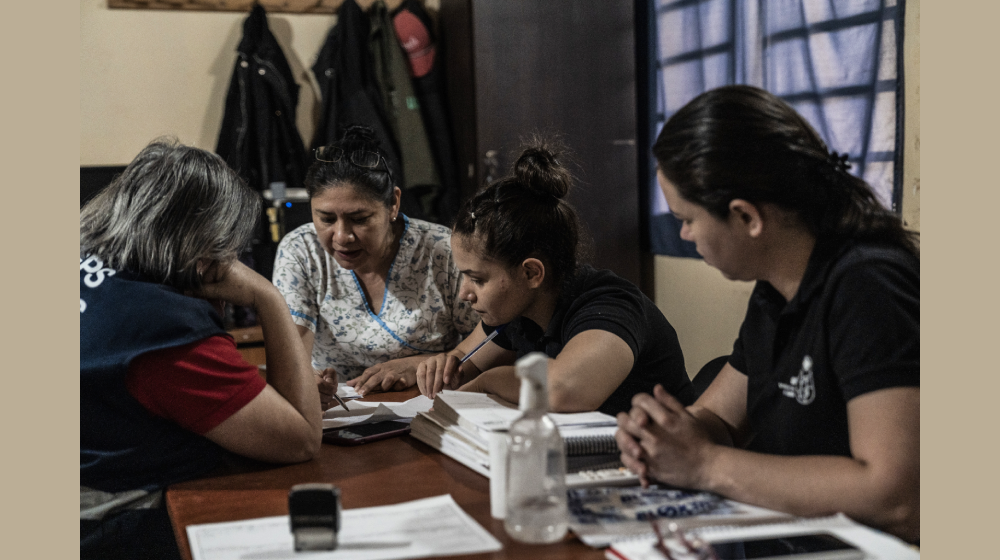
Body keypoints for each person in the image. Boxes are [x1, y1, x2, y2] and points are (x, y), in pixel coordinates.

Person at [615, 85, 919, 542]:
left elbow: (896, 495)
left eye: (688, 218)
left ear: (746, 217)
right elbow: (718, 422)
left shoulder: (868, 284)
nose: (682, 234)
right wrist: (662, 439)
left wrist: (703, 465)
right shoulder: (774, 292)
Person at [80, 139, 323, 560]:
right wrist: (269, 297)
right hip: (114, 522)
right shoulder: (161, 328)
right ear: (206, 253)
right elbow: (300, 439)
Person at [415, 143, 695, 416]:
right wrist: (444, 367)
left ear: (531, 273)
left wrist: (487, 381)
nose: (465, 293)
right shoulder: (517, 310)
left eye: (477, 279)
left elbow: (564, 391)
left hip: (661, 457)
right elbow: (464, 363)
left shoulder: (608, 305)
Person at [272, 125, 478, 405]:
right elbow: (291, 352)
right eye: (326, 219)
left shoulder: (443, 251)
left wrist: (423, 363)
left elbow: (493, 340)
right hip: (338, 410)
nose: (342, 236)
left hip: (432, 405)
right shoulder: (301, 251)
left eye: (359, 219)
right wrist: (307, 378)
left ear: (393, 203)